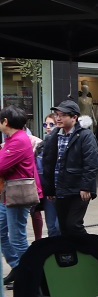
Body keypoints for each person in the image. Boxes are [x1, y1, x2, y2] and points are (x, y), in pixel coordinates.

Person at [41, 99, 98, 236]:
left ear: (74, 117)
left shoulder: (85, 136)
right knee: (63, 227)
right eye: (57, 114)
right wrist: (49, 189)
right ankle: (71, 255)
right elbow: (48, 164)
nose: (58, 118)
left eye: (62, 115)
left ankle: (90, 250)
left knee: (73, 224)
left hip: (78, 190)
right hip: (59, 189)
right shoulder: (53, 136)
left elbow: (91, 163)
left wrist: (86, 187)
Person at [0, 106, 42, 273]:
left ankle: (31, 274)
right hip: (8, 194)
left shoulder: (18, 140)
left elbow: (1, 165)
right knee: (2, 232)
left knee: (17, 238)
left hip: (18, 195)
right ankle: (18, 268)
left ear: (5, 122)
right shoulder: (13, 139)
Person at [31, 113, 59, 240]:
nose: (47, 127)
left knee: (61, 226)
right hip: (48, 191)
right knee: (52, 227)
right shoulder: (41, 146)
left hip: (62, 190)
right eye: (45, 124)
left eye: (51, 124)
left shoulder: (63, 143)